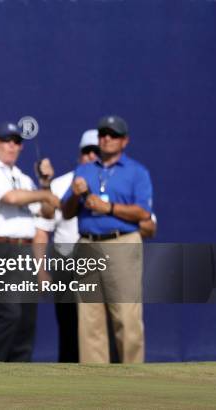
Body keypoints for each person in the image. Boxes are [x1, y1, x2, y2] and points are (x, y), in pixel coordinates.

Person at [61, 115, 153, 364]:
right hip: (88, 244)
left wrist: (108, 208)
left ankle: (134, 379)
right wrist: (74, 196)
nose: (107, 139)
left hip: (121, 242)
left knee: (126, 314)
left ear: (124, 141)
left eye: (113, 135)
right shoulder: (84, 170)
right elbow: (66, 211)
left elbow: (143, 212)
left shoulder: (136, 172)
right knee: (90, 319)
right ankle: (96, 385)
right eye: (103, 134)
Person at [0, 122, 59, 362]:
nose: (12, 145)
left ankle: (20, 377)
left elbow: (47, 214)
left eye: (17, 141)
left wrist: (45, 183)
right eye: (6, 140)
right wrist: (45, 194)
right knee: (7, 313)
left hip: (25, 250)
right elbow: (10, 198)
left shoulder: (22, 178)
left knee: (26, 320)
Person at [36, 129, 100, 363]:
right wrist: (41, 270)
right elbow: (42, 231)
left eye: (97, 152)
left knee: (106, 328)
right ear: (79, 155)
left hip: (102, 264)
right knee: (70, 330)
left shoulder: (115, 183)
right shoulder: (60, 185)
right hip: (67, 267)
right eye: (87, 151)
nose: (92, 156)